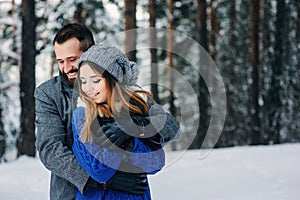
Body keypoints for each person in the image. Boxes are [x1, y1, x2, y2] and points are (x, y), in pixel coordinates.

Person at [35, 22, 180, 200]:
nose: (66, 68)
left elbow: (170, 126)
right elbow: (50, 149)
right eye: (60, 61)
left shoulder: (123, 88)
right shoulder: (49, 93)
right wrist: (104, 181)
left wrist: (136, 125)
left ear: (91, 54)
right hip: (73, 193)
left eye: (72, 60)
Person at [72, 44, 167, 199]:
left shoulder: (135, 110)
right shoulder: (82, 115)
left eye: (95, 80)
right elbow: (99, 170)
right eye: (83, 81)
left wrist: (130, 140)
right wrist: (120, 144)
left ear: (113, 79)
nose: (88, 88)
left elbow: (156, 162)